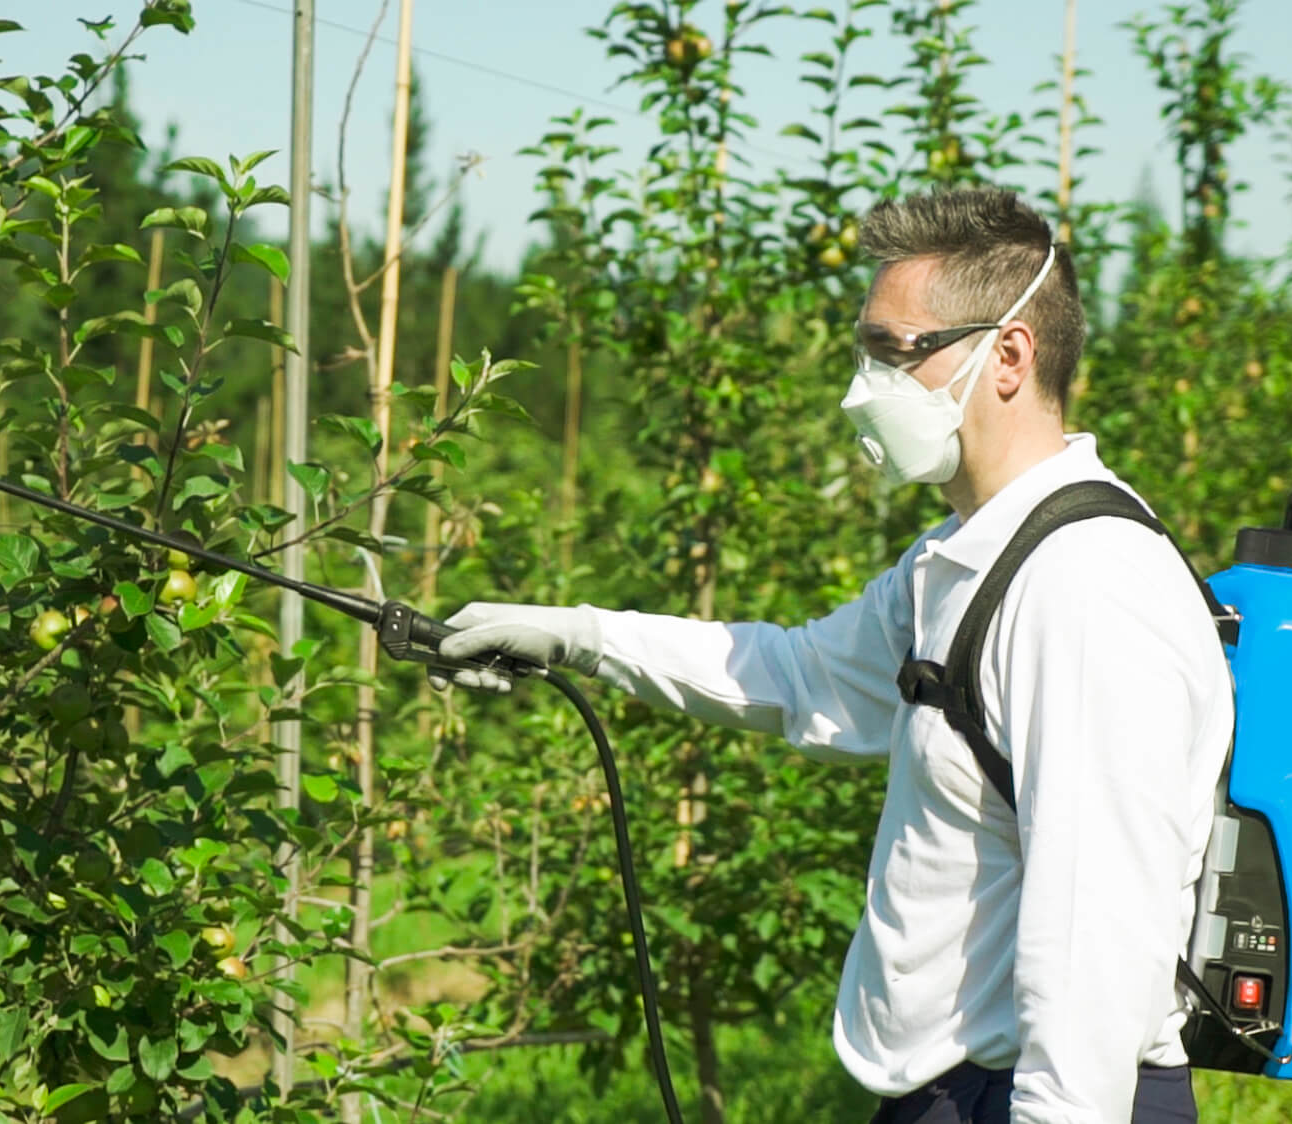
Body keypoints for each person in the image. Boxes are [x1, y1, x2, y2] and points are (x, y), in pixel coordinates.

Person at [430, 188, 1233, 1124]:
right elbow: (797, 674)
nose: (867, 383)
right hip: (951, 1093)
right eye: (869, 347)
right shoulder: (965, 558)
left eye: (900, 351)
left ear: (1008, 356)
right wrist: (580, 636)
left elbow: (1099, 926)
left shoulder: (1085, 587)